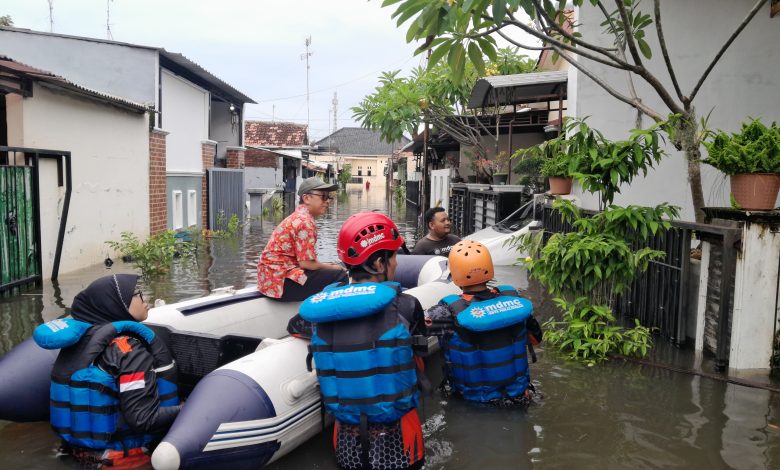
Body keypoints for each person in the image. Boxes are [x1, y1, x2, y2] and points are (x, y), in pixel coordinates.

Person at [299, 212, 427, 470]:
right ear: (379, 264)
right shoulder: (407, 305)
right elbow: (418, 366)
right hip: (401, 439)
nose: (397, 264)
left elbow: (299, 328)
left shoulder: (320, 311)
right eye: (393, 256)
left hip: (346, 440)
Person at [33, 274, 181, 468]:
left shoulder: (78, 344)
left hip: (76, 456)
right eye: (138, 295)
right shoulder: (130, 352)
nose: (147, 301)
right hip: (124, 461)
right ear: (115, 303)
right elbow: (143, 419)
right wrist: (185, 408)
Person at [425, 240, 542, 407]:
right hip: (519, 398)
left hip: (475, 404)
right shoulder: (515, 301)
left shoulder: (446, 312)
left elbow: (414, 327)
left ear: (455, 275)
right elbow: (536, 339)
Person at [257, 177, 348, 301]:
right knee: (340, 275)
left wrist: (330, 265)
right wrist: (332, 267)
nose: (327, 201)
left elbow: (306, 263)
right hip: (281, 283)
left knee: (334, 267)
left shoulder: (298, 217)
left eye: (328, 197)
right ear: (306, 198)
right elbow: (306, 264)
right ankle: (334, 316)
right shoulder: (305, 222)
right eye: (323, 197)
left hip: (269, 280)